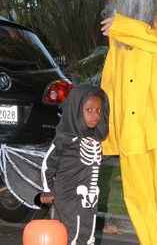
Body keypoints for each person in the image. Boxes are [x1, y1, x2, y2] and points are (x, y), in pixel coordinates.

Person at [100, 0, 157, 244]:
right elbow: (111, 79)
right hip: (131, 130)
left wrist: (125, 27)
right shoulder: (116, 31)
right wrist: (104, 126)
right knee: (140, 200)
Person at [40, 84, 109, 245]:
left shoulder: (95, 138)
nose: (96, 116)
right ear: (76, 110)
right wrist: (46, 189)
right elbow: (47, 163)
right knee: (72, 233)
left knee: (88, 232)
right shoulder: (64, 137)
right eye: (89, 110)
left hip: (89, 196)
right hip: (67, 195)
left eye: (99, 111)